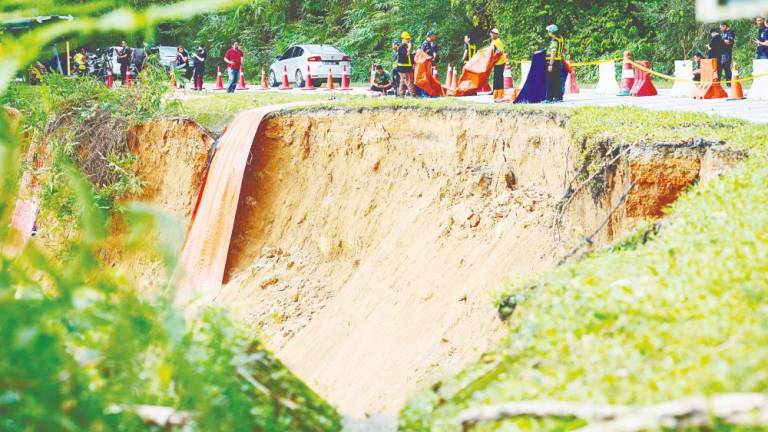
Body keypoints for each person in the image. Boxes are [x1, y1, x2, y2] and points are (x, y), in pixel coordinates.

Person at [545, 24, 566, 103]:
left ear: (551, 32)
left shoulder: (554, 41)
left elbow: (553, 52)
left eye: (548, 31)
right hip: (559, 61)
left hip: (554, 62)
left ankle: (549, 98)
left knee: (550, 80)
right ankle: (558, 97)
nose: (548, 33)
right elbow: (564, 49)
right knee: (558, 80)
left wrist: (550, 64)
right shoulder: (561, 38)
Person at [396, 32, 416, 96]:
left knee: (403, 81)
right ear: (403, 39)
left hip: (406, 67)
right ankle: (413, 95)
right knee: (409, 81)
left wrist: (413, 64)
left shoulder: (405, 47)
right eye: (407, 39)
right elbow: (407, 54)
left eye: (409, 39)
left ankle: (401, 94)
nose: (408, 40)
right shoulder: (401, 47)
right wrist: (410, 47)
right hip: (404, 68)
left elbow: (410, 57)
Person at [490, 28, 506, 98]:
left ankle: (500, 92)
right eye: (492, 33)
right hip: (496, 62)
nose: (492, 34)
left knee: (499, 77)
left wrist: (495, 56)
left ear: (497, 35)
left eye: (494, 33)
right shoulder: (493, 41)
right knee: (496, 76)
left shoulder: (498, 41)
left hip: (500, 62)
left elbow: (500, 51)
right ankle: (495, 91)